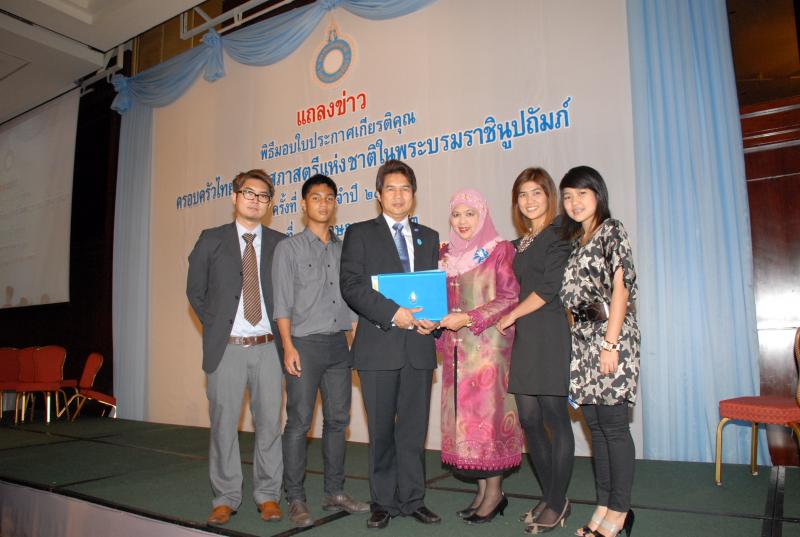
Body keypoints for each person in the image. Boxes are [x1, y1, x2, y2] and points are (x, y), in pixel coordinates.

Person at [339, 159, 441, 530]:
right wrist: (393, 312)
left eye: (405, 189)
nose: (398, 196)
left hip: (418, 347)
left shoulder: (429, 236)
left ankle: (413, 499)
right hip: (378, 347)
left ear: (414, 195)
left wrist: (435, 319)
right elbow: (351, 285)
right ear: (379, 195)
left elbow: (432, 290)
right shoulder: (359, 234)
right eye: (391, 189)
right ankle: (381, 502)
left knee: (413, 432)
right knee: (381, 431)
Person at [186, 169, 286, 525]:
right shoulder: (211, 240)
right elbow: (195, 291)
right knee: (224, 425)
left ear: (269, 204)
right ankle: (225, 497)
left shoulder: (280, 243)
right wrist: (217, 326)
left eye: (263, 196)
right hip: (226, 348)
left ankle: (268, 495)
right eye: (249, 193)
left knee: (270, 424)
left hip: (269, 348)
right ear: (234, 197)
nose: (255, 200)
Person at [272, 174, 370, 527]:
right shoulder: (289, 249)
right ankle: (296, 498)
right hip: (304, 345)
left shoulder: (344, 250)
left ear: (335, 203)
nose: (323, 203)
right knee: (299, 423)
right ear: (303, 204)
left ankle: (334, 492)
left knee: (338, 421)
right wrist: (287, 346)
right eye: (316, 197)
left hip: (338, 345)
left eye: (329, 198)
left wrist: (357, 343)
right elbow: (282, 303)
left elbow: (353, 302)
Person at [558, 166, 640, 537]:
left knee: (614, 427)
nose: (574, 202)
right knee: (596, 428)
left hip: (611, 335)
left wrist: (610, 342)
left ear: (598, 195)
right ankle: (604, 505)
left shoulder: (612, 230)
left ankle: (620, 511)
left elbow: (621, 288)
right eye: (567, 196)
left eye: (582, 194)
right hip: (583, 340)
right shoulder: (577, 243)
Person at [437, 188, 523, 525]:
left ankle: (495, 494)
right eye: (456, 214)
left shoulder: (499, 250)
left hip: (488, 351)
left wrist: (470, 318)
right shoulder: (446, 255)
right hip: (456, 352)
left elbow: (510, 297)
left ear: (483, 215)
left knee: (487, 425)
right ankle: (483, 491)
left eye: (469, 214)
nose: (462, 221)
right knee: (467, 425)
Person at [496, 168, 575, 534]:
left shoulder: (559, 233)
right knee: (529, 420)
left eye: (536, 193)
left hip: (549, 332)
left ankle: (557, 502)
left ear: (549, 196)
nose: (529, 200)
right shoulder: (521, 242)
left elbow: (547, 289)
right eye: (522, 194)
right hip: (525, 335)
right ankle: (550, 495)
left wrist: (512, 314)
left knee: (556, 419)